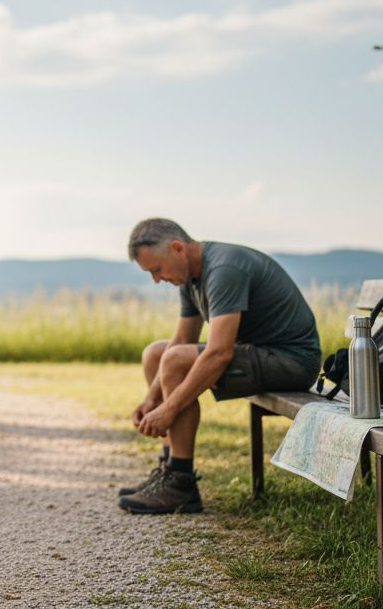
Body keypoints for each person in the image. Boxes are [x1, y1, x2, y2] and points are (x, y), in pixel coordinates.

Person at [121, 218, 319, 515]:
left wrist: (168, 409)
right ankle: (170, 468)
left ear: (177, 248)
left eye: (156, 270)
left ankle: (181, 483)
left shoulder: (224, 269)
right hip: (259, 354)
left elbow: (219, 354)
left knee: (175, 360)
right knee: (157, 353)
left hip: (291, 362)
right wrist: (152, 400)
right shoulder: (190, 277)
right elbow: (181, 340)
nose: (157, 280)